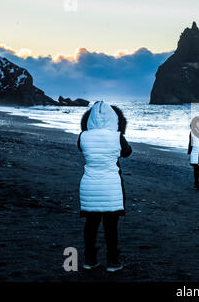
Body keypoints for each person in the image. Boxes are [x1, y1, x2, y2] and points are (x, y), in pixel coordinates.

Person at [77, 101, 132, 272]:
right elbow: (127, 152)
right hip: (111, 186)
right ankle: (113, 261)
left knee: (91, 224)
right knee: (111, 226)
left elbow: (82, 149)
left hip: (89, 184)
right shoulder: (117, 137)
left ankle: (89, 259)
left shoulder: (82, 136)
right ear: (115, 119)